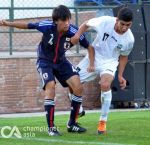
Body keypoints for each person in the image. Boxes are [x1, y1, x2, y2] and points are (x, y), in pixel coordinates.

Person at [0, 5, 95, 136]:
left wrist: (91, 63)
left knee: (78, 87)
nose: (67, 23)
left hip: (61, 62)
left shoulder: (74, 32)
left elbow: (90, 47)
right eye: (64, 20)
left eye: (68, 20)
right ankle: (51, 128)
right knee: (50, 86)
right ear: (56, 21)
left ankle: (72, 124)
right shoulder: (47, 26)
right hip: (45, 61)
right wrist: (6, 23)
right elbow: (28, 25)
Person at [71, 7, 134, 134]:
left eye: (128, 25)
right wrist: (77, 35)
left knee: (105, 84)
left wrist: (120, 76)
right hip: (93, 57)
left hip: (109, 62)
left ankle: (102, 122)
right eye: (122, 24)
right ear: (117, 20)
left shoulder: (129, 39)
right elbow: (86, 24)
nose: (124, 28)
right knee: (71, 82)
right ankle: (80, 110)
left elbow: (124, 57)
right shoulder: (105, 21)